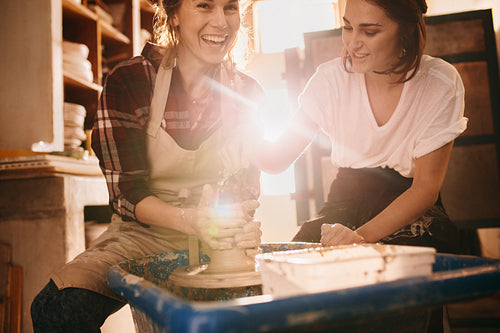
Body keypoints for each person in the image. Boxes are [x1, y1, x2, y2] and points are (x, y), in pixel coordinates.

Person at [31, 0, 263, 332]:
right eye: (204, 6)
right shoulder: (131, 81)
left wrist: (238, 221)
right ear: (174, 16)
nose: (221, 22)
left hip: (218, 238)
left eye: (229, 8)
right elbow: (128, 192)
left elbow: (244, 187)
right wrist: (188, 220)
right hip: (143, 234)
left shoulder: (247, 94)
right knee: (55, 309)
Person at [250, 0, 466, 255]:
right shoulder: (330, 80)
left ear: (405, 29)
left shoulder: (439, 81)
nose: (353, 43)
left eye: (370, 31)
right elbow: (275, 160)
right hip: (345, 201)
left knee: (404, 268)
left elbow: (425, 189)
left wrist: (360, 237)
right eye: (348, 27)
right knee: (297, 261)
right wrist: (236, 123)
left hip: (408, 204)